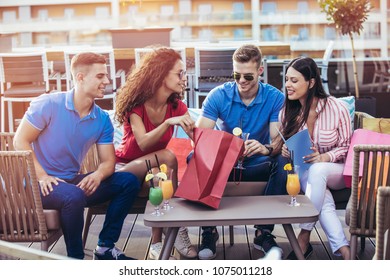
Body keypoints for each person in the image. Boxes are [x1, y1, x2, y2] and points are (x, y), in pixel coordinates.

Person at [13, 52, 140, 260]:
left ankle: (105, 247)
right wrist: (42, 176)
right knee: (74, 196)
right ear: (80, 77)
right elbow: (20, 141)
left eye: (106, 76)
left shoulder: (102, 119)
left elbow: (109, 162)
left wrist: (97, 175)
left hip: (71, 181)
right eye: (100, 76)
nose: (107, 81)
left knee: (128, 181)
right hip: (38, 184)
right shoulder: (49, 104)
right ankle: (75, 260)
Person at [195, 44, 288, 260]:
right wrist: (226, 148)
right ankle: (208, 231)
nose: (242, 81)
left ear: (260, 71)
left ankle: (263, 233)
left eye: (248, 76)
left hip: (257, 164)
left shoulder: (275, 97)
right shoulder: (218, 95)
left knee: (283, 162)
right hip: (224, 166)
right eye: (237, 75)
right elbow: (199, 137)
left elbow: (277, 140)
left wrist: (265, 148)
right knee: (194, 158)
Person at [114, 46, 197, 260]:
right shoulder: (137, 106)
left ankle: (162, 241)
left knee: (159, 173)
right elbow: (142, 143)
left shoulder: (177, 107)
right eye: (179, 73)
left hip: (152, 173)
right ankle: (176, 228)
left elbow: (196, 137)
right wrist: (169, 122)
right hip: (125, 168)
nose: (183, 78)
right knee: (167, 158)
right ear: (161, 74)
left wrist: (211, 145)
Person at [280, 57, 351, 260]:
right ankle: (344, 250)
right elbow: (290, 146)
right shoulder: (287, 112)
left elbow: (346, 147)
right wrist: (287, 150)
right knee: (323, 196)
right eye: (286, 80)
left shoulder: (337, 108)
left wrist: (324, 157)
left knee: (318, 171)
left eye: (294, 81)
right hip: (306, 171)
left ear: (311, 83)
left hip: (337, 169)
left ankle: (304, 234)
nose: (287, 85)